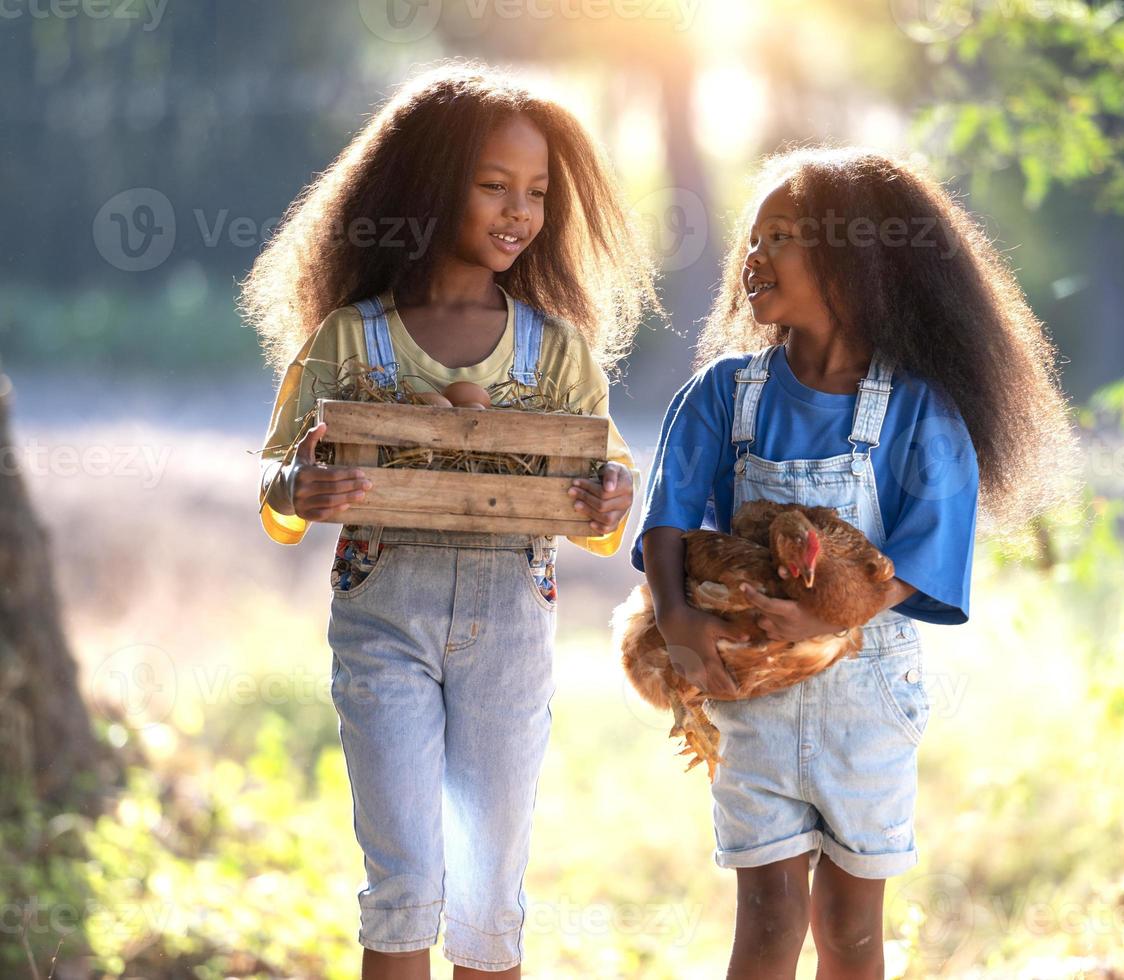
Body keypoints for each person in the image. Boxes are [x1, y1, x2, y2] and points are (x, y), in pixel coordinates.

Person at [243, 61, 657, 980]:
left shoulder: (557, 352)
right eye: (493, 185)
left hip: (512, 622)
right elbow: (275, 475)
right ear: (429, 187)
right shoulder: (352, 338)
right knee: (402, 886)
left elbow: (604, 488)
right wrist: (296, 492)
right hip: (383, 615)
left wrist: (608, 499)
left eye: (538, 193)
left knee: (487, 895)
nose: (519, 211)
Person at [632, 146, 1079, 979]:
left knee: (849, 928)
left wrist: (832, 616)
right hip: (750, 688)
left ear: (857, 263)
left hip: (865, 700)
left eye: (782, 238)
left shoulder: (915, 407)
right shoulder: (723, 394)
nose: (753, 258)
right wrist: (676, 619)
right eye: (751, 240)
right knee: (767, 920)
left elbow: (931, 541)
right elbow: (666, 515)